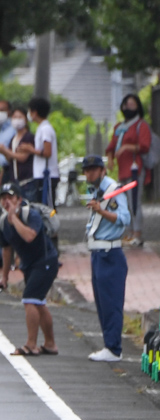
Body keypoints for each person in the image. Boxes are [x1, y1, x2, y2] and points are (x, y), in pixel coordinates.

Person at [0, 182, 60, 356]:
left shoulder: (31, 215)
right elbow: (7, 250)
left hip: (46, 261)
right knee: (38, 302)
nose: (6, 202)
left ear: (19, 199)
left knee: (30, 299)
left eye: (10, 198)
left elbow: (30, 236)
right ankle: (50, 344)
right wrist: (5, 277)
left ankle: (31, 344)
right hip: (29, 265)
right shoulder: (1, 223)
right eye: (3, 198)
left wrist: (14, 218)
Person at [81, 155, 132, 363]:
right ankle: (109, 346)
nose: (89, 173)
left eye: (93, 170)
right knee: (102, 303)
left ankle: (113, 348)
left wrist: (101, 210)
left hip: (110, 253)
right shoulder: (95, 191)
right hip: (98, 253)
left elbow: (125, 219)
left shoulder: (112, 189)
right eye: (86, 170)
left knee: (111, 303)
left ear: (102, 170)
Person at [106, 93, 152, 247]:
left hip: (135, 169)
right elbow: (111, 147)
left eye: (132, 104)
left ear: (138, 107)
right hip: (122, 170)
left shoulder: (141, 126)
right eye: (126, 105)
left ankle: (137, 233)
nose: (128, 108)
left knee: (134, 202)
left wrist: (127, 147)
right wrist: (111, 160)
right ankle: (129, 232)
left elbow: (144, 146)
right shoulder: (119, 128)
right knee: (124, 203)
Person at [22, 97, 59, 206]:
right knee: (41, 206)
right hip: (40, 175)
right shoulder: (41, 128)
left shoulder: (45, 129)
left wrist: (30, 150)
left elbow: (47, 152)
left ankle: (52, 222)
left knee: (48, 206)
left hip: (47, 175)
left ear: (34, 112)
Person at [0, 105, 34, 185]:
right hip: (14, 180)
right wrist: (3, 151)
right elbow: (10, 158)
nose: (17, 120)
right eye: (15, 117)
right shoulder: (14, 138)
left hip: (27, 181)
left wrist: (6, 151)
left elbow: (23, 157)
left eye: (20, 117)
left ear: (26, 120)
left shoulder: (28, 137)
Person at [0, 99, 14, 180]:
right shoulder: (1, 130)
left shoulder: (14, 128)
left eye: (2, 110)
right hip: (5, 170)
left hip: (13, 169)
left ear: (9, 112)